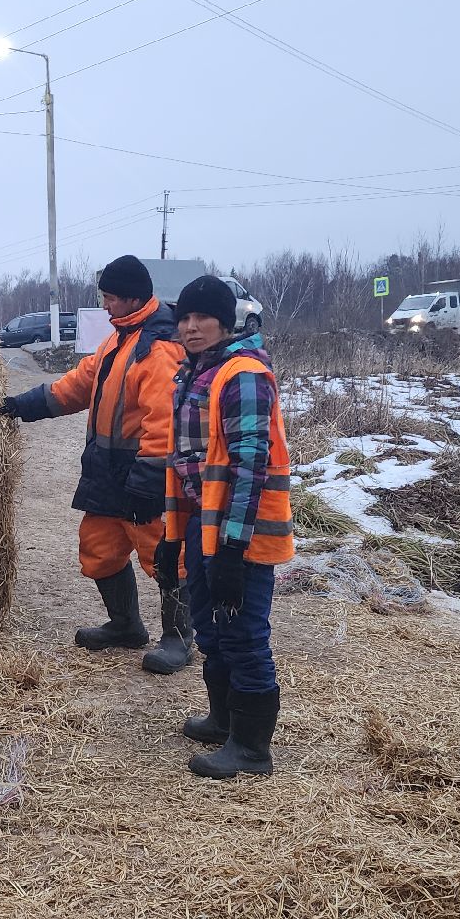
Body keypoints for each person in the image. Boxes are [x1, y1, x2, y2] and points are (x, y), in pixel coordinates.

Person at [0, 254, 192, 674]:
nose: (104, 305)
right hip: (107, 471)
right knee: (99, 549)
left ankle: (179, 638)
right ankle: (126, 626)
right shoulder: (120, 338)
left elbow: (165, 421)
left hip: (142, 474)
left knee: (164, 556)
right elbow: (79, 384)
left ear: (130, 298)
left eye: (108, 298)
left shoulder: (159, 348)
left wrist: (151, 479)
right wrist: (21, 405)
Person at [155, 275, 293, 778]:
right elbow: (186, 461)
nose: (191, 327)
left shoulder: (243, 375)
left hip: (244, 528)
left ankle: (252, 749)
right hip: (205, 522)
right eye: (184, 318)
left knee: (242, 634)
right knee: (211, 630)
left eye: (202, 318)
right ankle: (223, 719)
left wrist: (233, 549)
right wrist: (175, 538)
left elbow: (249, 465)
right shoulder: (192, 373)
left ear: (225, 321)